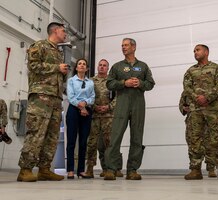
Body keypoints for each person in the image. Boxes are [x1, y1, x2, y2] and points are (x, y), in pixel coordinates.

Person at [17, 22, 68, 182]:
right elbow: (33, 66)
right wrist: (56, 68)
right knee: (36, 132)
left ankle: (44, 169)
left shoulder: (58, 52)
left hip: (56, 98)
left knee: (52, 136)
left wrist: (63, 73)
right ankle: (25, 169)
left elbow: (57, 74)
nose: (65, 33)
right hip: (41, 97)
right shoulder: (39, 45)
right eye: (63, 30)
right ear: (54, 30)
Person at [103, 38, 155, 180]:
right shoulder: (117, 66)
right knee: (115, 136)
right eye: (122, 46)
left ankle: (132, 170)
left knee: (137, 137)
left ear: (134, 47)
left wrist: (141, 83)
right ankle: (111, 169)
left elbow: (151, 84)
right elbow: (109, 83)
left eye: (126, 45)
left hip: (138, 104)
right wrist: (123, 82)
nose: (123, 48)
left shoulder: (143, 66)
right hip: (122, 103)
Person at [182, 44, 218, 180]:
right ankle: (195, 169)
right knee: (194, 139)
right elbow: (186, 87)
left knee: (216, 139)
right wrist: (196, 98)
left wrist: (207, 97)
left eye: (197, 50)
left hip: (212, 109)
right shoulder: (190, 71)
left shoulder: (217, 68)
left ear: (206, 52)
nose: (195, 52)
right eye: (194, 51)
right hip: (195, 110)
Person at [85, 59, 123, 178]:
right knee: (92, 143)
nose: (102, 67)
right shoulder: (90, 81)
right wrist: (95, 107)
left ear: (108, 68)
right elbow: (86, 95)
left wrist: (109, 107)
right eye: (100, 65)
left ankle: (112, 168)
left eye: (104, 66)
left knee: (109, 143)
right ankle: (90, 168)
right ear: (97, 67)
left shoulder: (112, 81)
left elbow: (118, 97)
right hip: (94, 116)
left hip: (109, 116)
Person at [66, 58, 95, 179]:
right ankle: (71, 170)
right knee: (72, 141)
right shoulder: (71, 80)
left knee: (83, 142)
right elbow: (70, 96)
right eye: (79, 64)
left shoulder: (90, 83)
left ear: (87, 68)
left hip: (86, 111)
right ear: (76, 68)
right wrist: (80, 106)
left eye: (84, 64)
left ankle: (81, 170)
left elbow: (92, 97)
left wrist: (85, 104)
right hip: (73, 110)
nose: (82, 65)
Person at [179, 92, 217, 178]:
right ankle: (195, 168)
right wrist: (184, 108)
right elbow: (181, 104)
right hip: (192, 121)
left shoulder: (208, 89)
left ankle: (211, 169)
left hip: (207, 119)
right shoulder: (186, 92)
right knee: (193, 145)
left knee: (209, 144)